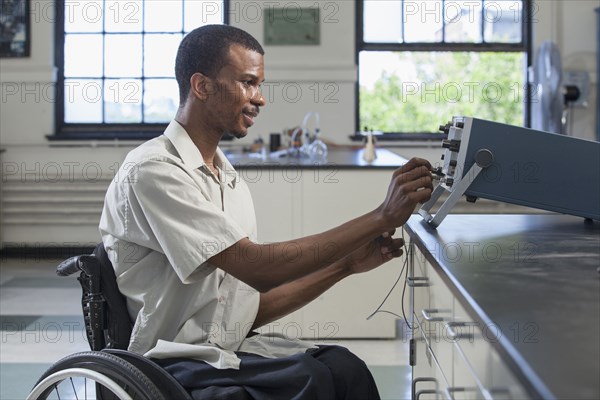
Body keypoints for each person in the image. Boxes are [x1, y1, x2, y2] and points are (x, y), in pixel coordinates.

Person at [99, 24, 433, 400]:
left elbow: (244, 310)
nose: (260, 99)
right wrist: (381, 217)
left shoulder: (225, 177)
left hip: (219, 352)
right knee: (310, 380)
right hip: (169, 362)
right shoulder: (153, 169)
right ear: (202, 86)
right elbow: (260, 269)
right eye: (248, 83)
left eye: (259, 85)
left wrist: (346, 266)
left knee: (344, 367)